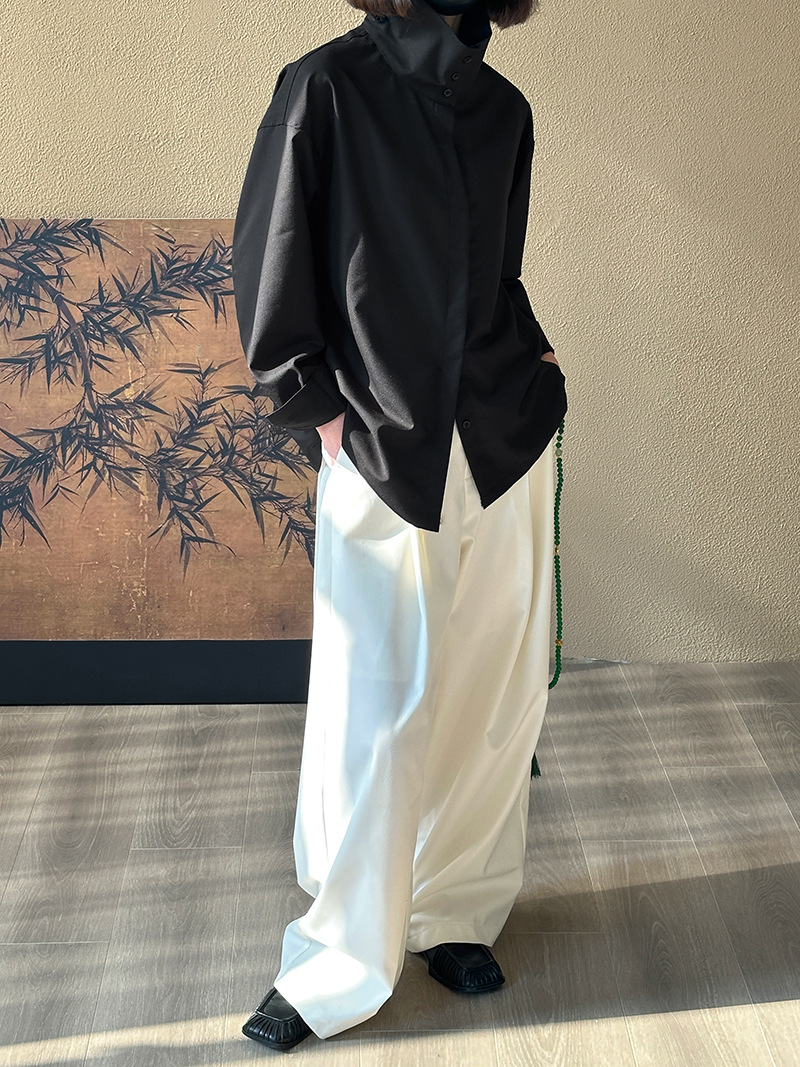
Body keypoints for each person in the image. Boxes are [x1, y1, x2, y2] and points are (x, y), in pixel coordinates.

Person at [232, 0, 568, 1051]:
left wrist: (537, 360)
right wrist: (316, 407)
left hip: (503, 434)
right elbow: (272, 253)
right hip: (381, 441)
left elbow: (497, 272)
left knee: (492, 694)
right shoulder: (325, 89)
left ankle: (454, 910)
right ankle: (336, 959)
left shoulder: (504, 110)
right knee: (372, 702)